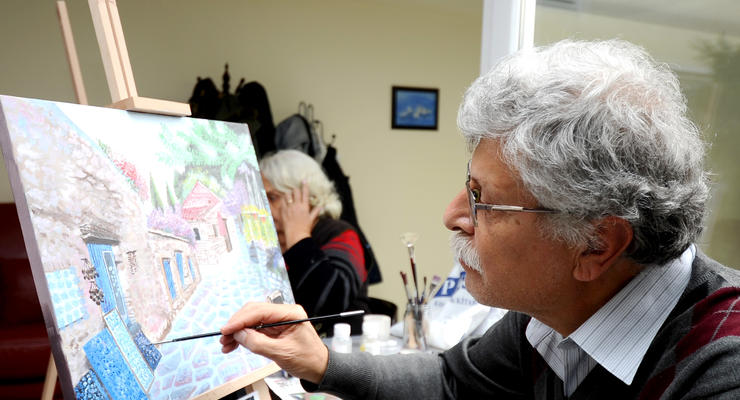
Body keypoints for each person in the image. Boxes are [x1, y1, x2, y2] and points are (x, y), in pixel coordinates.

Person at [221, 39, 740, 398]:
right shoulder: (552, 316)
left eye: (482, 199)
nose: (452, 216)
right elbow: (451, 383)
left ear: (596, 244)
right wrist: (321, 362)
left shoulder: (720, 370)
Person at [259, 150, 370, 335]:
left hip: (339, 347)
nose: (264, 207)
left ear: (305, 197)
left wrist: (298, 238)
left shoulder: (339, 233)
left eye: (272, 198)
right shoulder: (266, 240)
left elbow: (330, 303)